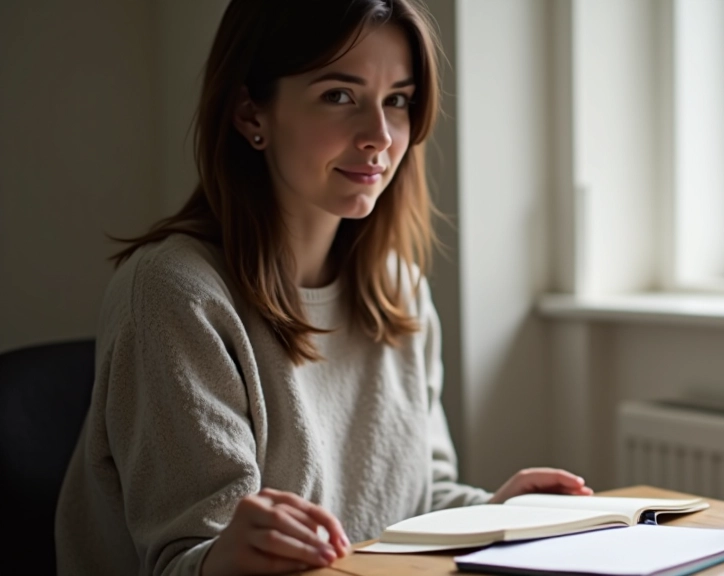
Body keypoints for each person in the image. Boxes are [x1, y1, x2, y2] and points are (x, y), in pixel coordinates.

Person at [54, 2, 592, 575]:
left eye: (398, 100)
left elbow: (416, 503)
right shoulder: (174, 293)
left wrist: (491, 514)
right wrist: (229, 555)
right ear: (249, 114)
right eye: (340, 95)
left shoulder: (399, 288)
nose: (380, 136)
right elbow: (180, 560)